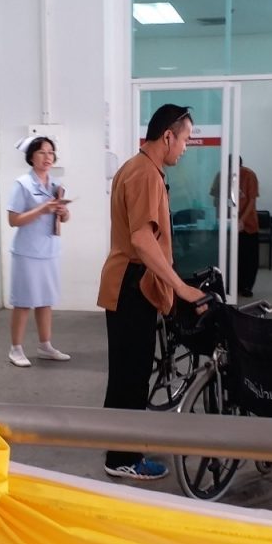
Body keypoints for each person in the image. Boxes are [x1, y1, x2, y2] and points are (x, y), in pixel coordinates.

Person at [97, 104, 207, 481]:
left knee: (127, 372)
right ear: (168, 136)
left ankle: (119, 447)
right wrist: (180, 288)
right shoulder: (145, 173)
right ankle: (122, 457)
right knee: (131, 374)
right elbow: (142, 241)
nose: (186, 148)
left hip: (128, 282)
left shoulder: (136, 167)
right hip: (132, 285)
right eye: (185, 140)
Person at [6, 135, 71, 367]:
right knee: (23, 301)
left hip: (49, 251)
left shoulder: (56, 185)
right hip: (27, 252)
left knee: (45, 300)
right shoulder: (22, 184)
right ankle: (15, 349)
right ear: (31, 157)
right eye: (42, 152)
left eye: (51, 152)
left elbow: (65, 218)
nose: (47, 157)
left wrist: (64, 213)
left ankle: (45, 345)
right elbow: (13, 220)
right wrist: (41, 210)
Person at [210, 157, 261, 296]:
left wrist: (241, 220)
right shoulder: (220, 175)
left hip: (247, 224)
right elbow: (216, 200)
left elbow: (252, 201)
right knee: (230, 257)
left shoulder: (249, 175)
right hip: (227, 225)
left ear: (240, 166)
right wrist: (218, 219)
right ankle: (230, 285)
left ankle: (247, 286)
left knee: (248, 257)